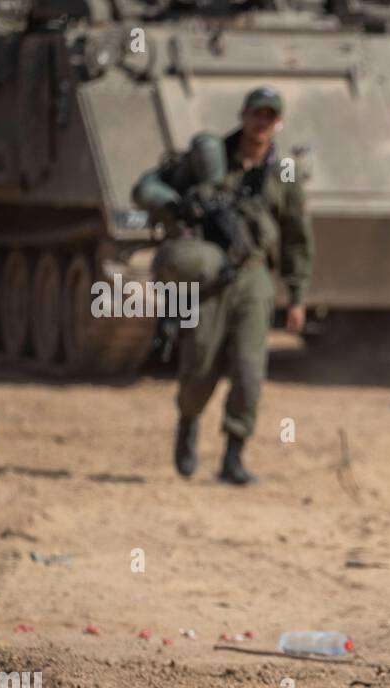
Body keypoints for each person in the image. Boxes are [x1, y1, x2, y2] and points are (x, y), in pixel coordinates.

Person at [132, 86, 313, 485]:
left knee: (250, 371)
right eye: (257, 114)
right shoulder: (209, 160)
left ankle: (234, 455)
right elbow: (152, 190)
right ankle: (189, 419)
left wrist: (297, 296)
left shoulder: (283, 173)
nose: (262, 123)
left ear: (278, 123)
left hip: (254, 277)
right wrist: (186, 208)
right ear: (244, 115)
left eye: (270, 116)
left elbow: (298, 236)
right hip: (209, 277)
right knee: (199, 368)